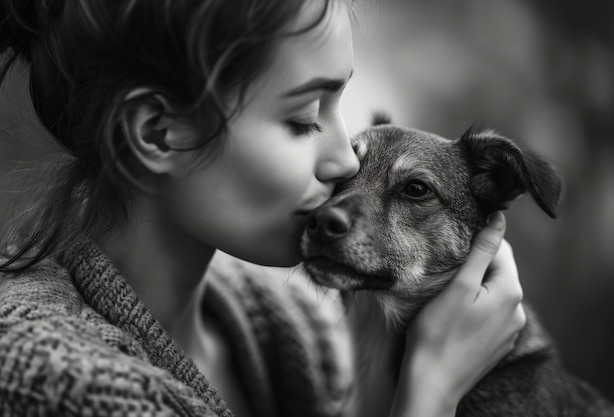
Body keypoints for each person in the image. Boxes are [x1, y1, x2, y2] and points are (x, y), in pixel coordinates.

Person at [0, 1, 526, 416]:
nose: (345, 161)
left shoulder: (292, 329)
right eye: (301, 119)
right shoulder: (55, 376)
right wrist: (431, 392)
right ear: (157, 134)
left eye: (338, 102)